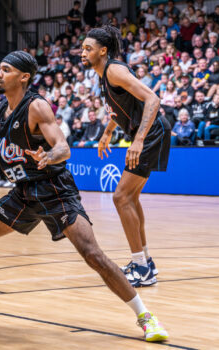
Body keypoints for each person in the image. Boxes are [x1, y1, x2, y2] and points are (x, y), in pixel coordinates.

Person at [0, 50, 168, 342]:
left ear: (23, 77)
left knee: (93, 254)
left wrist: (49, 155)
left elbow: (63, 147)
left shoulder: (36, 106)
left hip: (54, 189)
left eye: (5, 70)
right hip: (22, 193)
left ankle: (145, 317)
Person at [81, 25, 171, 287]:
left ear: (103, 50)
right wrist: (108, 132)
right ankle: (144, 262)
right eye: (83, 47)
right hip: (148, 132)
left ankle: (141, 267)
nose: (82, 52)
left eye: (88, 48)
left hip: (151, 132)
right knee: (130, 197)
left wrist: (139, 140)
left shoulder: (114, 70)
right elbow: (118, 109)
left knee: (121, 197)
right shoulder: (103, 74)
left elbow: (153, 99)